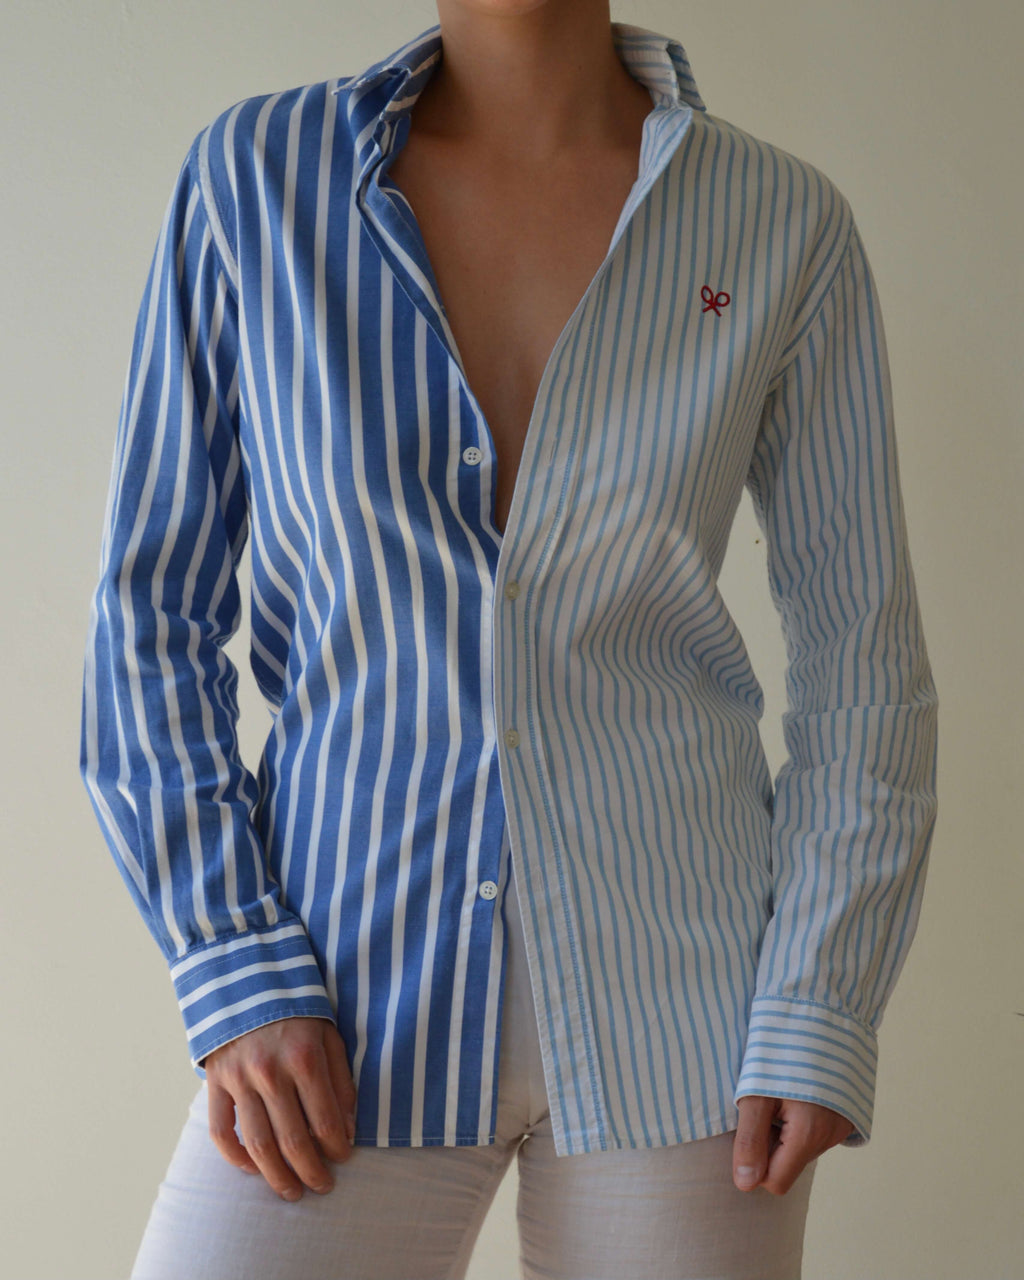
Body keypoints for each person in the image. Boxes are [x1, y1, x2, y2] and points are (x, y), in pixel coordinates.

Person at [78, 1, 939, 1277]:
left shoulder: (778, 219)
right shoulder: (255, 180)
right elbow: (152, 611)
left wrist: (821, 998)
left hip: (692, 1025)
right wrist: (233, 960)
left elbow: (864, 658)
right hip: (339, 1001)